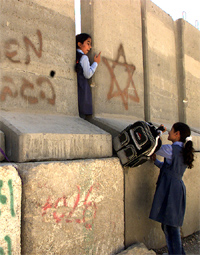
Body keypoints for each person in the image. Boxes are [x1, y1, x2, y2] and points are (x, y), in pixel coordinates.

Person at [150, 122, 194, 255]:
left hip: (171, 190)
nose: (169, 132)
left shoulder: (171, 150)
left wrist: (159, 133)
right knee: (169, 224)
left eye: (171, 130)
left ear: (177, 134)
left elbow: (154, 147)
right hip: (175, 188)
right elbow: (170, 169)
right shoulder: (180, 150)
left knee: (171, 226)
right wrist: (156, 161)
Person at [75, 33, 101, 119]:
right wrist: (96, 63)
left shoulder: (75, 55)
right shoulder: (84, 58)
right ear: (79, 44)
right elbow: (87, 74)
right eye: (88, 43)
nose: (90, 47)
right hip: (82, 90)